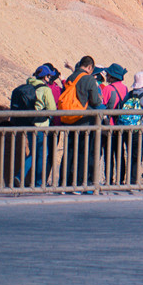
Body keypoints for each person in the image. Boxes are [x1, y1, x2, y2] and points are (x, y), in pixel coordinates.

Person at [56, 56, 102, 190]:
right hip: (84, 120)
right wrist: (99, 99)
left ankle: (64, 182)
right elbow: (95, 101)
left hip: (70, 120)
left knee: (69, 151)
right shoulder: (89, 78)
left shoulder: (71, 77)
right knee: (83, 152)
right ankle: (79, 183)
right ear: (89, 68)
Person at [9, 66, 57, 188]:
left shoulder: (28, 86)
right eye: (49, 76)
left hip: (29, 124)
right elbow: (52, 109)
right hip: (41, 126)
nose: (49, 78)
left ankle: (22, 177)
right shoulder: (45, 90)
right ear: (45, 77)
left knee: (34, 152)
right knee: (41, 154)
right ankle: (37, 182)